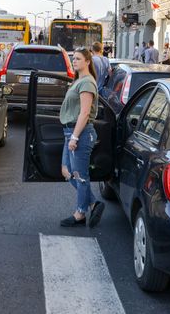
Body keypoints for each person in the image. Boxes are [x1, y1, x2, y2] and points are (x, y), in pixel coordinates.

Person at [59, 48, 104, 228]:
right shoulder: (78, 80)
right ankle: (93, 203)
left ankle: (80, 213)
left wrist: (75, 137)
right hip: (70, 132)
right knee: (67, 172)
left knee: (80, 176)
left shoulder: (87, 83)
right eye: (73, 59)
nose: (74, 61)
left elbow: (85, 113)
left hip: (81, 133)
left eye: (78, 58)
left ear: (87, 61)